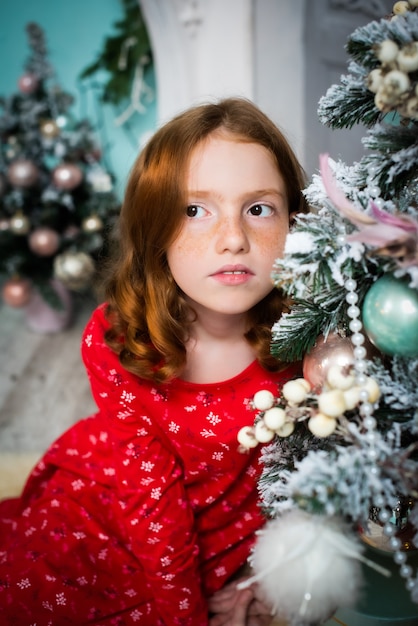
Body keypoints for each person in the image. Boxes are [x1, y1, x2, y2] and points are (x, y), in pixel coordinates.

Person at [0, 97, 308, 625]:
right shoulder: (120, 341)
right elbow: (152, 508)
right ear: (155, 230)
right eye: (195, 210)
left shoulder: (306, 329)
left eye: (258, 209)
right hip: (116, 507)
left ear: (295, 223)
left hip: (227, 527)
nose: (233, 239)